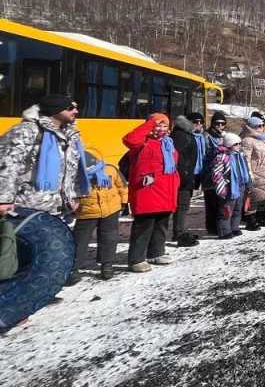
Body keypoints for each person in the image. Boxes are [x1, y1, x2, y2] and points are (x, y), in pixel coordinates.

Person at [0, 94, 83, 216]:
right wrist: (3, 200)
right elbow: (6, 164)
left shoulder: (70, 135)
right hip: (29, 208)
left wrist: (74, 197)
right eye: (70, 108)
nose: (76, 111)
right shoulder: (26, 130)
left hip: (61, 209)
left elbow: (72, 169)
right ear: (55, 110)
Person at [123, 113, 180, 273]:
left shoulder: (168, 143)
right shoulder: (142, 142)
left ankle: (156, 252)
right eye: (158, 125)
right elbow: (129, 139)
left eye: (164, 125)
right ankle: (136, 259)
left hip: (166, 191)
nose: (161, 129)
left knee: (161, 224)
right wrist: (150, 124)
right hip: (147, 190)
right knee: (144, 226)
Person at [72, 153, 127, 281]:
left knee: (109, 238)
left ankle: (107, 265)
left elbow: (122, 186)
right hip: (87, 212)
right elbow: (71, 193)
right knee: (79, 241)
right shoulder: (76, 176)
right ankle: (73, 268)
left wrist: (124, 202)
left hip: (111, 210)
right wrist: (72, 206)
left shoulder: (110, 169)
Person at [240, 116, 265, 230]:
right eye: (258, 126)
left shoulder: (263, 138)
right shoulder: (247, 140)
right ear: (251, 127)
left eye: (262, 125)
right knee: (252, 197)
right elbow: (245, 159)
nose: (261, 128)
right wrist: (249, 173)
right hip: (256, 173)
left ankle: (260, 217)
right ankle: (250, 220)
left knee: (263, 196)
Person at [209, 132, 249, 238]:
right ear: (229, 145)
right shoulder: (222, 157)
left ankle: (234, 227)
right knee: (226, 209)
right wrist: (221, 187)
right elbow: (217, 174)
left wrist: (247, 182)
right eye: (236, 144)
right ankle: (224, 230)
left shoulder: (240, 155)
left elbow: (245, 170)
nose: (239, 146)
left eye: (239, 144)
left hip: (240, 185)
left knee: (237, 207)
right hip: (229, 186)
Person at [169, 115, 199, 246]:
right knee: (182, 206)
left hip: (184, 175)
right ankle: (179, 233)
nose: (199, 124)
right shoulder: (182, 136)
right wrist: (186, 175)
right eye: (196, 122)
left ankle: (180, 231)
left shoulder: (182, 134)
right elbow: (180, 159)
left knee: (182, 206)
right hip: (183, 177)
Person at [202, 111, 229, 234]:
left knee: (221, 201)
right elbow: (204, 154)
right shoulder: (206, 136)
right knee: (211, 200)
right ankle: (211, 227)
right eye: (217, 124)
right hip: (209, 171)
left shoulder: (225, 136)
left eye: (222, 124)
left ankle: (220, 225)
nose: (220, 126)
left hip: (223, 172)